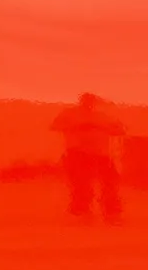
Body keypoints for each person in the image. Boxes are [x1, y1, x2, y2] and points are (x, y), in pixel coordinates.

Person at [51, 92, 125, 221]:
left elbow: (119, 130)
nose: (89, 103)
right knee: (81, 183)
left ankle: (111, 211)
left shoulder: (102, 116)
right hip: (78, 153)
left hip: (101, 153)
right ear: (81, 101)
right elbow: (55, 126)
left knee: (110, 181)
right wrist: (78, 127)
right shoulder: (70, 114)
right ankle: (81, 212)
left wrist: (103, 128)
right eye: (86, 100)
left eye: (91, 101)